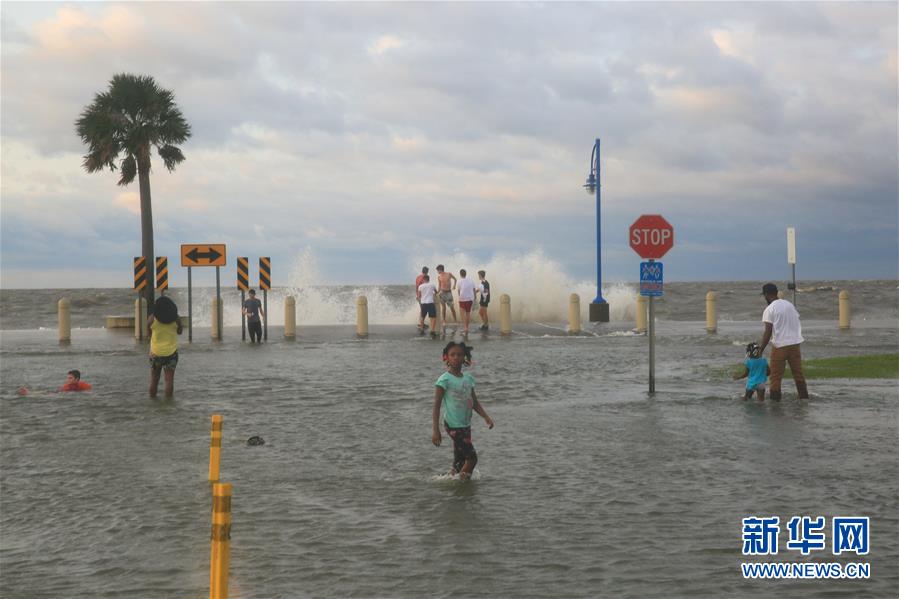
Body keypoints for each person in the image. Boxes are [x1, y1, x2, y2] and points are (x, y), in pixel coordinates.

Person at [431, 342, 494, 481]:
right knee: (472, 459)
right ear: (446, 358)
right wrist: (436, 430)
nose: (456, 357)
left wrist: (486, 417)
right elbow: (436, 406)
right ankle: (462, 486)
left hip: (465, 425)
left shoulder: (468, 379)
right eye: (452, 355)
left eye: (459, 355)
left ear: (464, 357)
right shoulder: (444, 380)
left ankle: (454, 488)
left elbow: (474, 403)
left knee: (459, 462)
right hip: (453, 425)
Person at [758, 283, 809, 400]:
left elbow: (768, 331)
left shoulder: (770, 309)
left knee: (775, 377)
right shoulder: (789, 305)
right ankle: (804, 398)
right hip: (795, 345)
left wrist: (761, 349)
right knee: (798, 374)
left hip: (780, 346)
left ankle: (775, 404)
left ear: (766, 295)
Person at [148, 296, 182, 397]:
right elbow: (180, 332)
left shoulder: (152, 318)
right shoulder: (176, 319)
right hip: (171, 353)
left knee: (154, 380)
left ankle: (152, 401)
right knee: (169, 380)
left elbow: (148, 330)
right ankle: (168, 404)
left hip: (155, 353)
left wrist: (153, 336)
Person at [456, 269, 477, 335]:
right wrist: (475, 297)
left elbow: (459, 291)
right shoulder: (471, 281)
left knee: (462, 314)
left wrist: (460, 297)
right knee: (468, 314)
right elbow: (474, 289)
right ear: (466, 273)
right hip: (470, 299)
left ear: (460, 274)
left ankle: (465, 328)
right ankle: (467, 327)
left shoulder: (459, 281)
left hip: (462, 299)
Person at [414, 266, 429, 331]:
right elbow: (424, 287)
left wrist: (417, 295)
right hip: (423, 297)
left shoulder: (417, 277)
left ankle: (421, 323)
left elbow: (417, 287)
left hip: (419, 295)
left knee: (422, 310)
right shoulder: (424, 278)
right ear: (426, 272)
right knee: (424, 310)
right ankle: (421, 324)